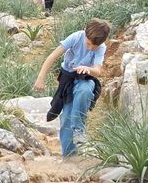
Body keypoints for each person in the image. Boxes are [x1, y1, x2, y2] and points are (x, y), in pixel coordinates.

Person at [34, 18, 111, 157]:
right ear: (85, 33)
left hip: (85, 79)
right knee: (66, 118)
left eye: (94, 47)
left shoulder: (101, 47)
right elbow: (52, 57)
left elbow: (97, 71)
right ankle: (69, 157)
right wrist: (41, 78)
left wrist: (87, 69)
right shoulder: (75, 37)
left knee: (85, 91)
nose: (91, 48)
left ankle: (79, 130)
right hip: (68, 80)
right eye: (88, 44)